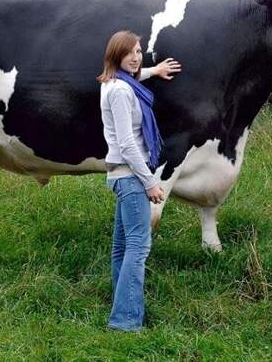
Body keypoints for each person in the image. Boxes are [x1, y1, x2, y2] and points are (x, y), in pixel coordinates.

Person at [97, 30, 180, 330]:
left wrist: (154, 71)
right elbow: (128, 144)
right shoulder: (120, 91)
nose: (136, 57)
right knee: (138, 247)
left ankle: (122, 305)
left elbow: (134, 77)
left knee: (122, 246)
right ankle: (126, 321)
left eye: (138, 50)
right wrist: (150, 183)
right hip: (131, 176)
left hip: (123, 175)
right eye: (129, 52)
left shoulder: (116, 82)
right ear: (116, 55)